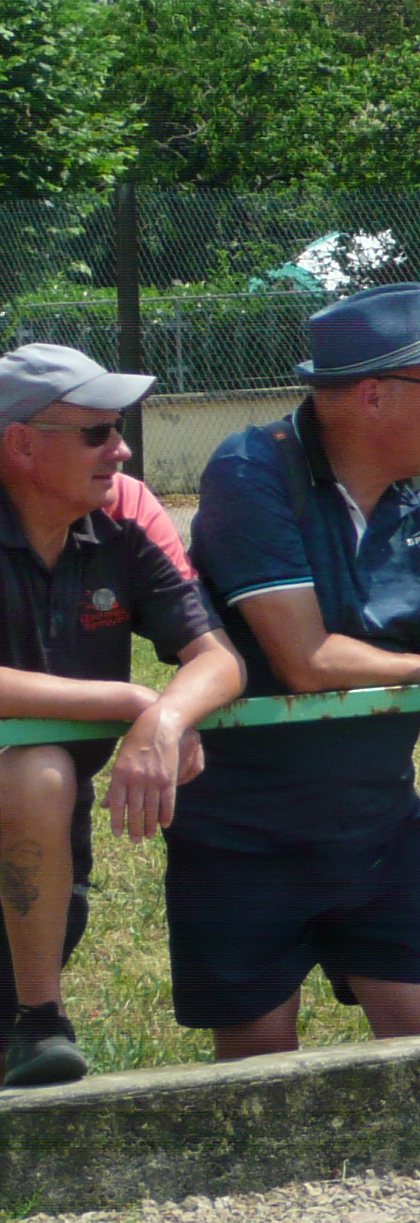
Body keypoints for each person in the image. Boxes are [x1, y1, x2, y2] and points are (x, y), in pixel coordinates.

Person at [172, 282, 420, 1058]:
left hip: (377, 833)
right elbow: (306, 658)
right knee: (259, 1082)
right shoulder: (251, 469)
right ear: (372, 396)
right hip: (243, 838)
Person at [0, 345, 240, 1087]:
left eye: (119, 428)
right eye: (97, 433)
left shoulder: (124, 519)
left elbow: (219, 660)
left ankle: (31, 1025)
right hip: (34, 799)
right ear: (21, 444)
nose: (122, 448)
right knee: (38, 767)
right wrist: (131, 699)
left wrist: (165, 721)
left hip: (37, 828)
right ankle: (43, 1021)